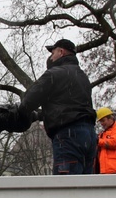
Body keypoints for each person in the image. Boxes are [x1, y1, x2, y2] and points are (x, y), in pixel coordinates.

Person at [14, 38, 97, 175]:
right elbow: (67, 106)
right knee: (85, 185)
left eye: (52, 53)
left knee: (65, 187)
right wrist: (41, 115)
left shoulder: (54, 74)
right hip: (89, 135)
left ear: (61, 51)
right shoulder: (82, 76)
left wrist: (20, 116)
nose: (51, 57)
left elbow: (28, 102)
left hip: (68, 135)